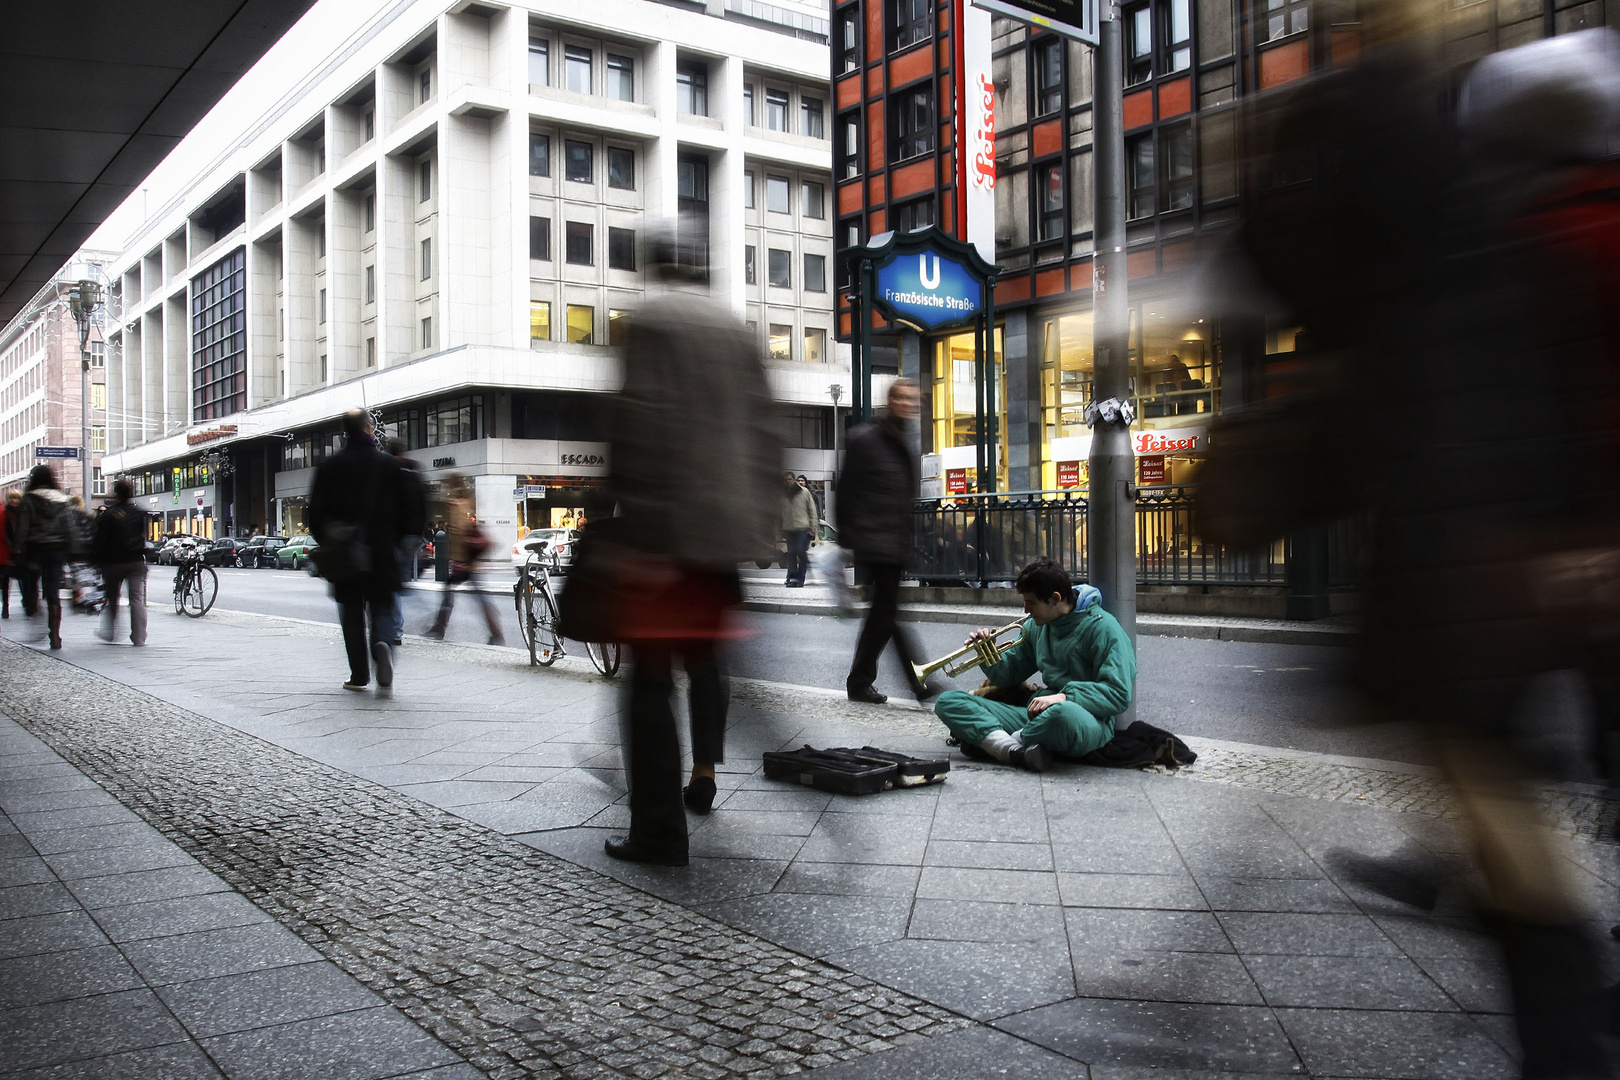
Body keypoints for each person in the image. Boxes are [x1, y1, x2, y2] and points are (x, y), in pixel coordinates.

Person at [602, 224, 780, 866]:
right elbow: (766, 430)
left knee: (647, 681)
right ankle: (704, 770)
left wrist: (627, 526)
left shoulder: (652, 322)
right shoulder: (736, 329)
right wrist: (760, 527)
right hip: (724, 538)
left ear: (654, 268)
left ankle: (657, 832)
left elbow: (640, 427)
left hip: (668, 536)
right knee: (708, 664)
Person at [934, 558, 1135, 773]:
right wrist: (988, 654)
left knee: (1061, 715)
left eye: (1031, 602)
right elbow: (1007, 676)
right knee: (947, 702)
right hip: (1035, 715)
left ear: (1055, 599)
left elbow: (1118, 693)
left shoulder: (1104, 628)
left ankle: (996, 742)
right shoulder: (1036, 626)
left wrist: (1065, 697)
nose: (1025, 610)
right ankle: (1014, 750)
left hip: (1082, 718)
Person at [309, 409, 422, 691]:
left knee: (351, 614)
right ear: (369, 428)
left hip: (345, 551)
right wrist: (400, 539)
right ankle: (383, 644)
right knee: (382, 606)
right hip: (382, 550)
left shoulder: (329, 466)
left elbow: (315, 514)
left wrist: (329, 539)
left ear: (345, 432)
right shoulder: (388, 464)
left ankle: (359, 675)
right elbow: (408, 508)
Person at [838, 378, 931, 704]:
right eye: (902, 397)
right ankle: (916, 680)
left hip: (893, 541)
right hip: (876, 539)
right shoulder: (865, 439)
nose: (909, 403)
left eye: (913, 399)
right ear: (890, 401)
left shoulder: (902, 442)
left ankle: (863, 680)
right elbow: (846, 489)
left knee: (884, 614)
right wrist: (849, 534)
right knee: (887, 611)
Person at [424, 473, 502, 645]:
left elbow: (460, 531)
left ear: (451, 485)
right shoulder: (467, 501)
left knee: (452, 592)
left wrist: (459, 559)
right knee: (475, 595)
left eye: (446, 484)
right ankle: (495, 632)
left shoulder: (455, 504)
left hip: (464, 561)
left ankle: (439, 628)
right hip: (468, 560)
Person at [12, 465, 76, 649]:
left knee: (31, 585)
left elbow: (22, 528)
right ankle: (55, 635)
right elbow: (69, 528)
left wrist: (17, 549)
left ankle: (33, 609)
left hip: (35, 549)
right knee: (53, 591)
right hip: (57, 550)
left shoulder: (28, 500)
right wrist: (74, 551)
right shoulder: (62, 500)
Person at [92, 478, 149, 646]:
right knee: (137, 598)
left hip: (113, 562)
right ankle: (139, 637)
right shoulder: (139, 513)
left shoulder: (109, 514)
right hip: (136, 560)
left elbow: (100, 540)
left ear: (116, 493)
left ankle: (110, 632)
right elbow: (141, 536)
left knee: (112, 597)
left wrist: (96, 559)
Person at [384, 437, 427, 647]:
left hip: (394, 534)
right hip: (412, 535)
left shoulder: (388, 472)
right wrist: (419, 533)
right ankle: (398, 627)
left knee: (391, 583)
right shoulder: (415, 472)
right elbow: (422, 503)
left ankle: (394, 629)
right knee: (400, 579)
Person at [781, 470, 817, 588]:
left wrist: (813, 527)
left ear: (794, 480)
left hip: (803, 527)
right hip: (789, 528)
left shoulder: (804, 492)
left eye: (790, 479)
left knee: (801, 551)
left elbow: (812, 510)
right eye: (785, 480)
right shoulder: (783, 494)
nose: (788, 482)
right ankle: (792, 577)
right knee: (791, 553)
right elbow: (780, 513)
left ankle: (800, 578)